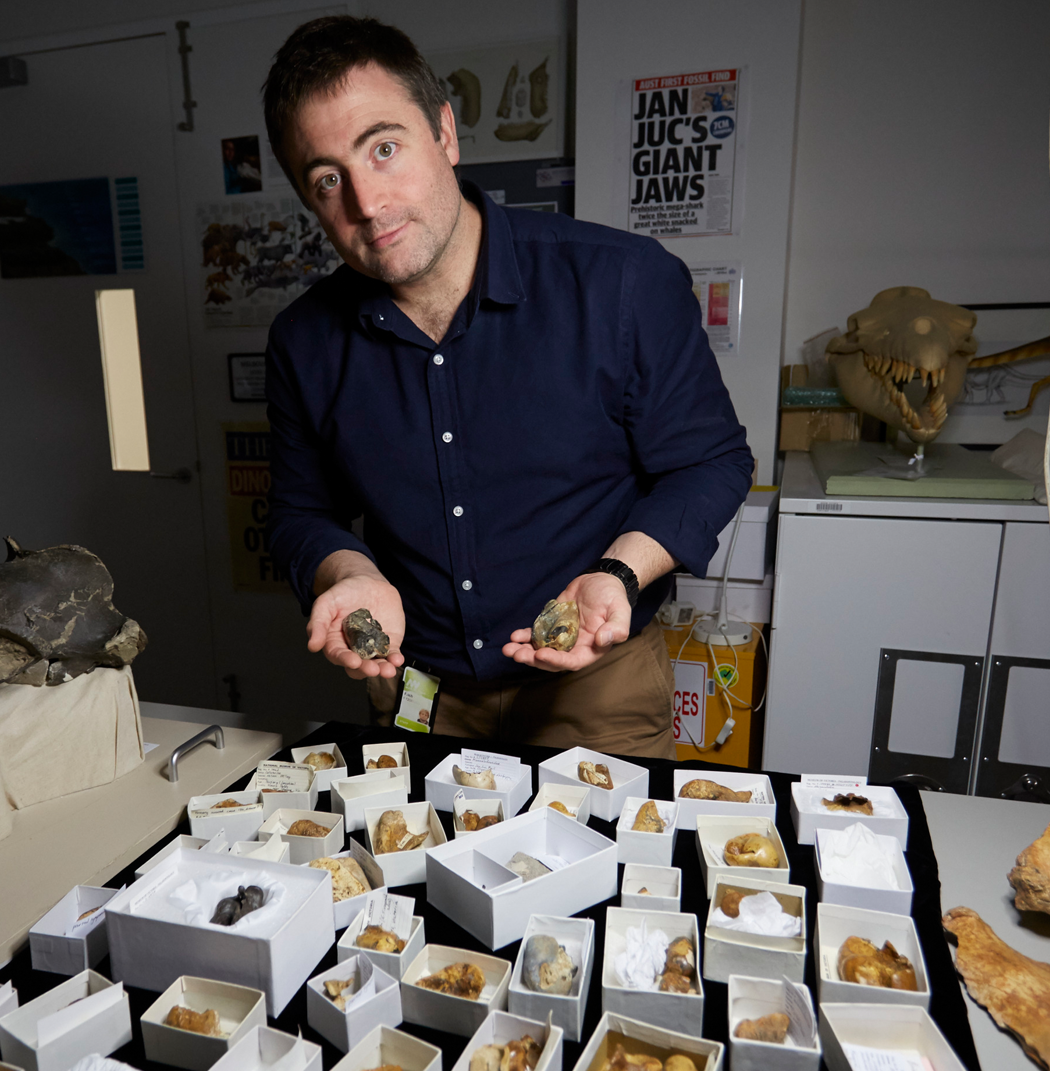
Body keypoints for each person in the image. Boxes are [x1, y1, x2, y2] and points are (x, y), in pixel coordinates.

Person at [261, 16, 751, 757]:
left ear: (446, 135)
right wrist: (349, 571)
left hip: (598, 688)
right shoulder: (302, 342)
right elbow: (301, 511)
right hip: (419, 689)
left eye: (384, 148)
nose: (366, 202)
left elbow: (711, 462)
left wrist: (620, 572)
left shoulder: (623, 283)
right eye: (328, 179)